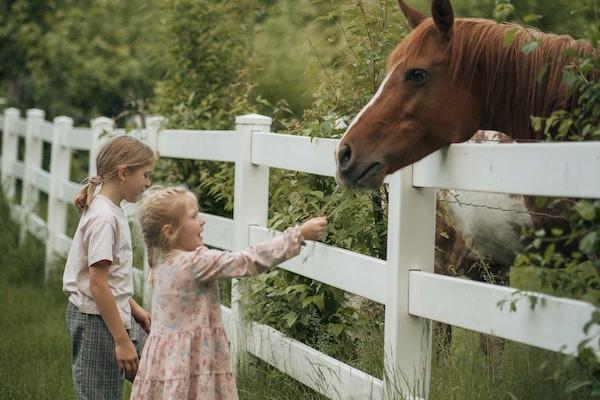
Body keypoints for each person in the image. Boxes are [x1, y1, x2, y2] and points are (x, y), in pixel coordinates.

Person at [131, 186, 328, 399]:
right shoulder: (195, 263)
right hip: (195, 363)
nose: (202, 221)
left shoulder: (161, 262)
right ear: (169, 232)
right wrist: (298, 235)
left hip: (169, 363)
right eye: (194, 216)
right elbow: (246, 260)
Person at [63, 135, 155, 399]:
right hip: (95, 321)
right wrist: (123, 341)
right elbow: (97, 284)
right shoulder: (104, 218)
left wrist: (133, 307)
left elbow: (110, 280)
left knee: (156, 373)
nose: (148, 183)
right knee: (100, 395)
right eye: (146, 175)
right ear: (123, 173)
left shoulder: (112, 210)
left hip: (111, 314)